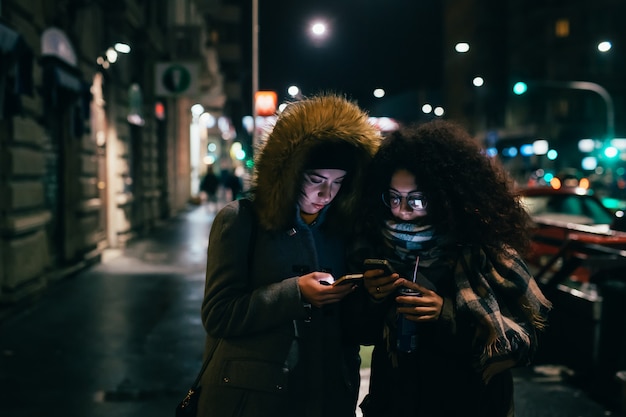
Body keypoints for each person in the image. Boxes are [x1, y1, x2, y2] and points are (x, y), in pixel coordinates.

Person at [196, 93, 380, 417]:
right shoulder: (240, 220)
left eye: (338, 182)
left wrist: (372, 296)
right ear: (290, 172)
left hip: (329, 400)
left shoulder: (346, 231)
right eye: (315, 180)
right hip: (256, 402)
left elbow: (358, 331)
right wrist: (295, 293)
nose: (327, 194)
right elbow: (218, 314)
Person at [352, 120, 552, 417]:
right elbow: (362, 334)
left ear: (446, 196)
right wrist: (372, 297)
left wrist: (444, 314)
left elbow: (525, 341)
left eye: (416, 199)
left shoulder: (484, 251)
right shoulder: (376, 248)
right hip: (396, 403)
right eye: (394, 197)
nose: (402, 210)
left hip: (470, 403)